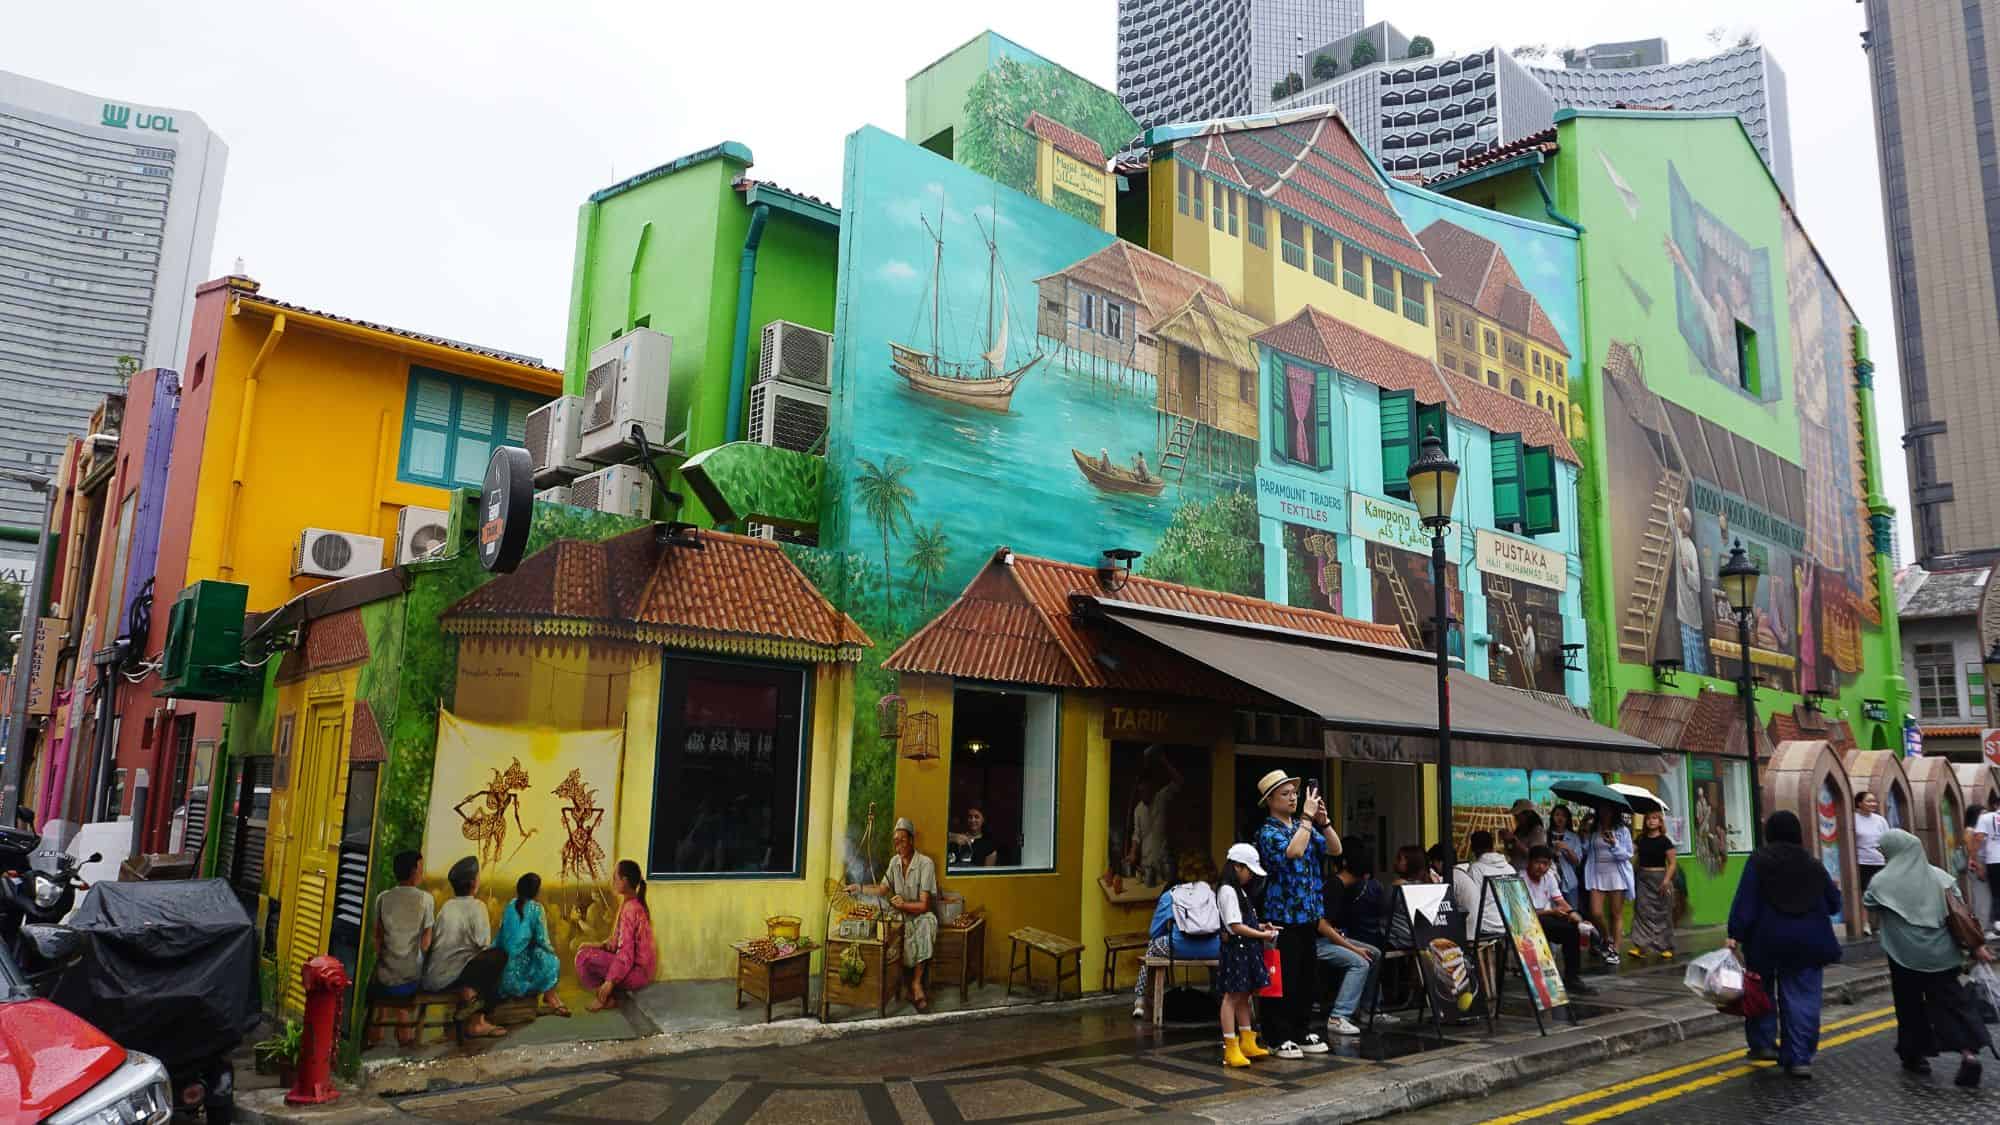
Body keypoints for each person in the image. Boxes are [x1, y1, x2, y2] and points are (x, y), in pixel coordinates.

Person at [1864, 829, 1993, 1087]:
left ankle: (1915, 1056)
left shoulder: (1881, 882)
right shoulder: (1940, 877)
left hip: (1903, 956)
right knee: (1952, 1003)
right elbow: (1961, 912)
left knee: (1909, 1006)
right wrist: (1976, 946)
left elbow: (1871, 904)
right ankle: (1968, 1054)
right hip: (1942, 954)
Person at [1727, 811, 1843, 1078]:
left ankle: (1764, 1044)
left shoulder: (1758, 861)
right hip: (1808, 942)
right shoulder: (1813, 864)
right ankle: (1800, 1058)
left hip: (1766, 941)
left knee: (1760, 992)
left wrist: (1735, 932)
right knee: (1802, 998)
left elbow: (1746, 901)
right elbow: (1834, 902)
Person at [1254, 770, 1341, 1058]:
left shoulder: (1302, 826)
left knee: (1306, 978)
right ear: (1270, 801)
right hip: (1281, 917)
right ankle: (1277, 1036)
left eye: (1294, 793)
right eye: (1285, 794)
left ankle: (1302, 1030)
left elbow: (1334, 848)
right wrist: (1305, 820)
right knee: (1282, 979)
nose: (1292, 798)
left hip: (1308, 914)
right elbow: (1293, 852)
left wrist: (1323, 822)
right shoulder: (1268, 832)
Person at [847, 817, 940, 1012]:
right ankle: (895, 984)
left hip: (919, 915)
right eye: (895, 841)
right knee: (886, 927)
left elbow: (924, 905)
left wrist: (904, 904)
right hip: (901, 914)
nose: (898, 845)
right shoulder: (894, 862)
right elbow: (882, 889)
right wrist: (859, 888)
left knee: (926, 925)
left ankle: (916, 984)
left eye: (903, 840)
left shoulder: (925, 864)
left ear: (912, 841)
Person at [421, 856, 508, 1039]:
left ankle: (467, 1012)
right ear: (473, 882)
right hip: (454, 978)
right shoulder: (478, 907)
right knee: (498, 956)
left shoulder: (446, 907)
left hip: (435, 977)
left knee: (478, 962)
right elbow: (483, 944)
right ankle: (478, 1023)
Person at [1215, 843, 1279, 1068]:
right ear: (1236, 867)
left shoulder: (1238, 890)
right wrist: (1263, 935)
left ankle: (1247, 1040)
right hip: (1237, 950)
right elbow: (1235, 926)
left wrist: (1261, 926)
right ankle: (1231, 1047)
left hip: (1245, 949)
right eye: (1248, 870)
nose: (1250, 875)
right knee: (1232, 996)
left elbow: (1243, 922)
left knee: (1244, 996)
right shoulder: (1227, 890)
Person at [368, 850, 434, 1047]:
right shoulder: (426, 899)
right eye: (421, 868)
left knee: (383, 973)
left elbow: (377, 940)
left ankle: (379, 1025)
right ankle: (404, 1028)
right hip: (410, 978)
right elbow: (426, 943)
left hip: (385, 977)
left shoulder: (383, 898)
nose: (422, 872)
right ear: (414, 871)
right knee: (411, 970)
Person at [575, 859, 656, 1011]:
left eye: (615, 878)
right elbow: (616, 943)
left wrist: (609, 982)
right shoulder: (630, 903)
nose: (612, 881)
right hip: (638, 970)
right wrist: (595, 945)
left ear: (624, 881)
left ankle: (604, 997)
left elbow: (626, 953)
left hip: (637, 973)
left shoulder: (631, 909)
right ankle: (613, 993)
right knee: (585, 950)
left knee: (583, 958)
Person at [1524, 845, 1594, 996]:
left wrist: (1576, 917)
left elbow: (1560, 901)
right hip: (1526, 921)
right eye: (1538, 862)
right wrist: (1552, 911)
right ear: (1529, 862)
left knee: (1573, 929)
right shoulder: (1520, 878)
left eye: (1545, 864)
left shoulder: (1549, 876)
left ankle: (1572, 978)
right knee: (1555, 923)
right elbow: (1523, 912)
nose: (1541, 867)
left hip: (1545, 916)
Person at [495, 873, 568, 1017]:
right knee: (553, 961)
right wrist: (552, 952)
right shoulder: (536, 908)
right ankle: (551, 997)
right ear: (535, 891)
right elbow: (542, 939)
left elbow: (501, 935)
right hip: (519, 974)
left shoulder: (510, 905)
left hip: (505, 971)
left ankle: (549, 997)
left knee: (533, 952)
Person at [1125, 748, 1184, 886]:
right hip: (1146, 864)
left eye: (1146, 791)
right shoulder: (1138, 809)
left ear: (1152, 788)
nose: (1143, 795)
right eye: (1140, 792)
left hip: (1164, 863)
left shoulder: (1161, 797)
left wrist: (1163, 760)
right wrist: (1133, 853)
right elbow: (1136, 835)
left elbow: (1179, 781)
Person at [1586, 810, 1635, 965]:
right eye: (1602, 809)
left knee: (1616, 914)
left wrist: (1614, 843)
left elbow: (1627, 854)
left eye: (1608, 810)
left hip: (1616, 874)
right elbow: (1588, 851)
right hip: (1597, 873)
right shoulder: (1594, 830)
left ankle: (1616, 950)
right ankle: (1607, 938)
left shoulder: (1622, 830)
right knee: (1595, 912)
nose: (1605, 813)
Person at [1629, 810, 1677, 960]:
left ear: (1660, 822)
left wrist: (1667, 880)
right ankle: (1640, 946)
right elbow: (1628, 852)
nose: (1651, 821)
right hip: (1643, 878)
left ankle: (1665, 946)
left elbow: (1672, 863)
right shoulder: (1640, 839)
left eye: (1655, 818)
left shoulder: (1665, 841)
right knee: (1642, 911)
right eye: (1648, 818)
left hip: (1661, 878)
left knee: (1663, 912)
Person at [1450, 830, 1513, 941]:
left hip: (1485, 926)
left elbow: (1471, 901)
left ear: (1473, 848)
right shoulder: (1509, 868)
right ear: (1492, 845)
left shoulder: (1476, 869)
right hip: (1508, 924)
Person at [1672, 508, 1708, 675]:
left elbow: (1698, 583)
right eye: (1683, 521)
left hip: (1692, 607)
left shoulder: (1691, 548)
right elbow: (1670, 519)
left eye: (1688, 522)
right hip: (1683, 605)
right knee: (1687, 647)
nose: (1685, 525)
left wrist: (1688, 572)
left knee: (1695, 649)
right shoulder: (1678, 538)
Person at [1333, 852, 1386, 950]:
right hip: (1371, 937)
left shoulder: (1339, 886)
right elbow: (1382, 911)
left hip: (1347, 935)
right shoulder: (1375, 886)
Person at [1547, 805, 1586, 909]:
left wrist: (1567, 849)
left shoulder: (1573, 837)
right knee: (1554, 910)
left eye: (1563, 815)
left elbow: (1577, 862)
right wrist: (1553, 852)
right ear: (1552, 817)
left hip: (1569, 879)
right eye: (1557, 815)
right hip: (1550, 877)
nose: (1560, 818)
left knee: (1572, 910)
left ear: (1568, 818)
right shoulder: (1547, 835)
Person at [1854, 791, 1890, 894]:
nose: (1873, 804)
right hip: (1862, 863)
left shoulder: (1880, 820)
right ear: (1859, 803)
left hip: (1880, 862)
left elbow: (1887, 840)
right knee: (1866, 893)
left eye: (1874, 801)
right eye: (1869, 801)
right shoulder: (1853, 819)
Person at [1974, 794, 2000, 934]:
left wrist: (1975, 861)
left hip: (1994, 860)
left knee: (1996, 893)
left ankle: (1997, 922)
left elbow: (1978, 839)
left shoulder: (1985, 818)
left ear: (1995, 805)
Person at [1965, 805, 1992, 929]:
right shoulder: (1970, 831)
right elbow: (1971, 851)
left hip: (1982, 863)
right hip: (1976, 865)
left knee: (1986, 897)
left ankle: (1985, 927)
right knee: (1982, 898)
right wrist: (1979, 867)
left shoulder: (1979, 830)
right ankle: (1981, 929)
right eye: (1982, 814)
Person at [1501, 801, 1545, 873]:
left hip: (1528, 874)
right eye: (1515, 815)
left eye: (1517, 815)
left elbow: (1535, 855)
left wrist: (1515, 841)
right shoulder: (1519, 830)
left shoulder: (1537, 831)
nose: (1515, 818)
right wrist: (1506, 841)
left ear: (1527, 814)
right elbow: (1511, 853)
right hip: (1515, 870)